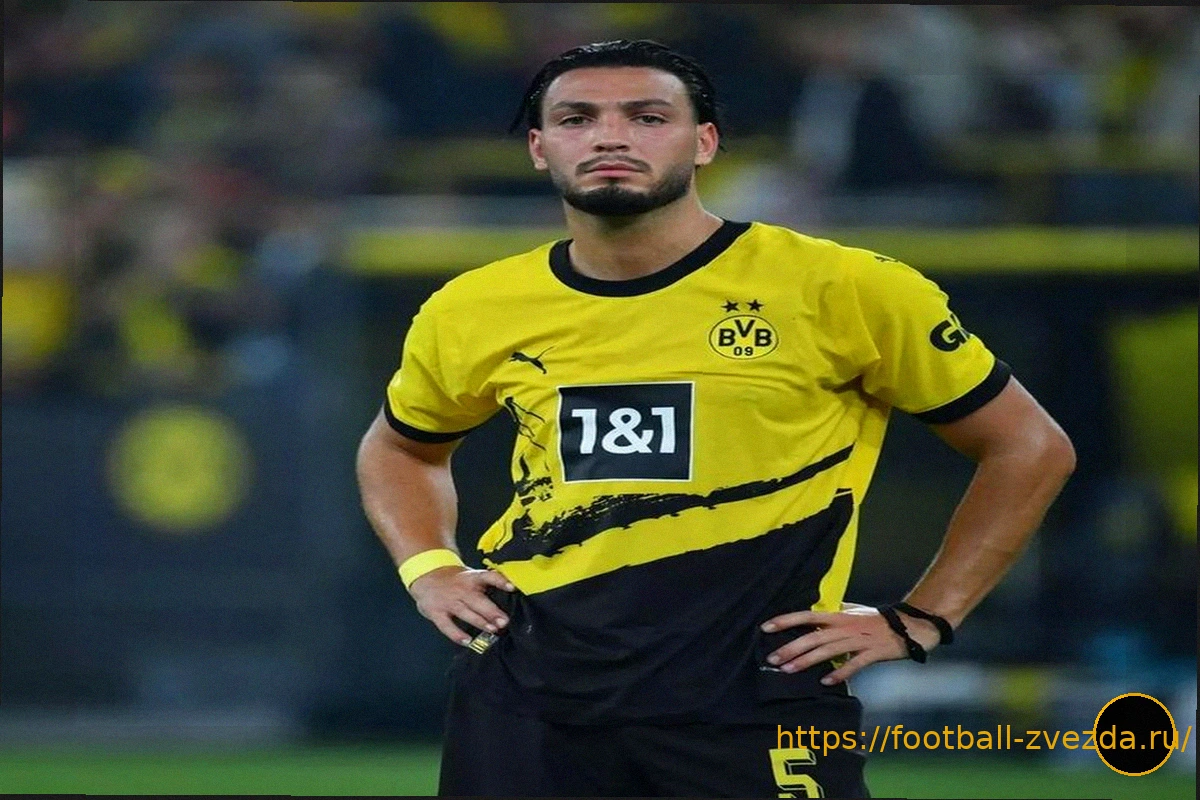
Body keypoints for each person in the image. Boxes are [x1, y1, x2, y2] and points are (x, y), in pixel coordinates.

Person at [356, 39, 1076, 798]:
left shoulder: (844, 288)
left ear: (704, 143)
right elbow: (401, 448)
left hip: (755, 696)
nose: (609, 137)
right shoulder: (474, 307)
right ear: (540, 149)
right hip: (526, 697)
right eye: (576, 119)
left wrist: (922, 619)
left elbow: (1029, 446)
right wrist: (429, 568)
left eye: (647, 117)